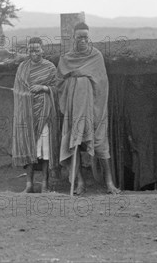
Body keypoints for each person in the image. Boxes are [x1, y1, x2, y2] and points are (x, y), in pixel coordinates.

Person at [57, 22, 120, 195]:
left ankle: (109, 182)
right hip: (74, 110)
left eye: (85, 37)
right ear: (73, 39)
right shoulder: (66, 59)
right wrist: (73, 80)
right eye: (79, 37)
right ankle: (80, 183)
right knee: (74, 143)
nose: (83, 40)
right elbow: (59, 83)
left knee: (100, 145)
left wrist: (83, 77)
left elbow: (102, 83)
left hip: (94, 110)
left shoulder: (96, 56)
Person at [12, 37, 59, 193]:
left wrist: (44, 87)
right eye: (31, 50)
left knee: (45, 152)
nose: (34, 53)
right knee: (29, 148)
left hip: (44, 114)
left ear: (42, 50)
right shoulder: (22, 69)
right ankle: (29, 184)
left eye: (37, 50)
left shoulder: (50, 67)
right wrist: (25, 94)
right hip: (27, 114)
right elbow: (17, 91)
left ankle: (45, 184)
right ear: (28, 51)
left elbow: (57, 88)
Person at [123, 75, 157, 190]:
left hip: (154, 133)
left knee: (156, 158)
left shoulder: (152, 93)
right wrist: (129, 136)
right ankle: (140, 187)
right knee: (141, 160)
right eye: (135, 79)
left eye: (140, 78)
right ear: (131, 80)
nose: (138, 81)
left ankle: (156, 187)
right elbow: (127, 117)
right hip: (137, 135)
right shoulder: (129, 95)